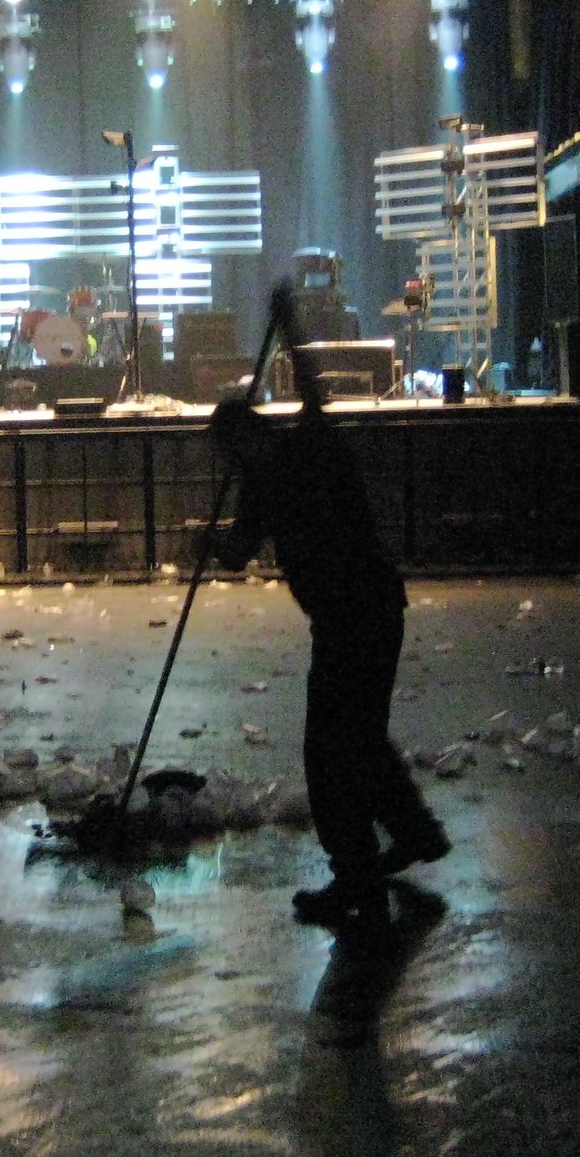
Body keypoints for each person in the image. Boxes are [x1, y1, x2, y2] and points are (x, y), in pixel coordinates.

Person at [209, 286, 450, 930]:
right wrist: (211, 543)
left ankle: (355, 872)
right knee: (361, 741)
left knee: (330, 753)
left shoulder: (310, 447)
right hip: (351, 615)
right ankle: (416, 833)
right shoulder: (263, 481)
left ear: (247, 440)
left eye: (230, 454)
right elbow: (237, 551)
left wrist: (288, 325)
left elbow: (315, 392)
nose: (231, 466)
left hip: (361, 613)